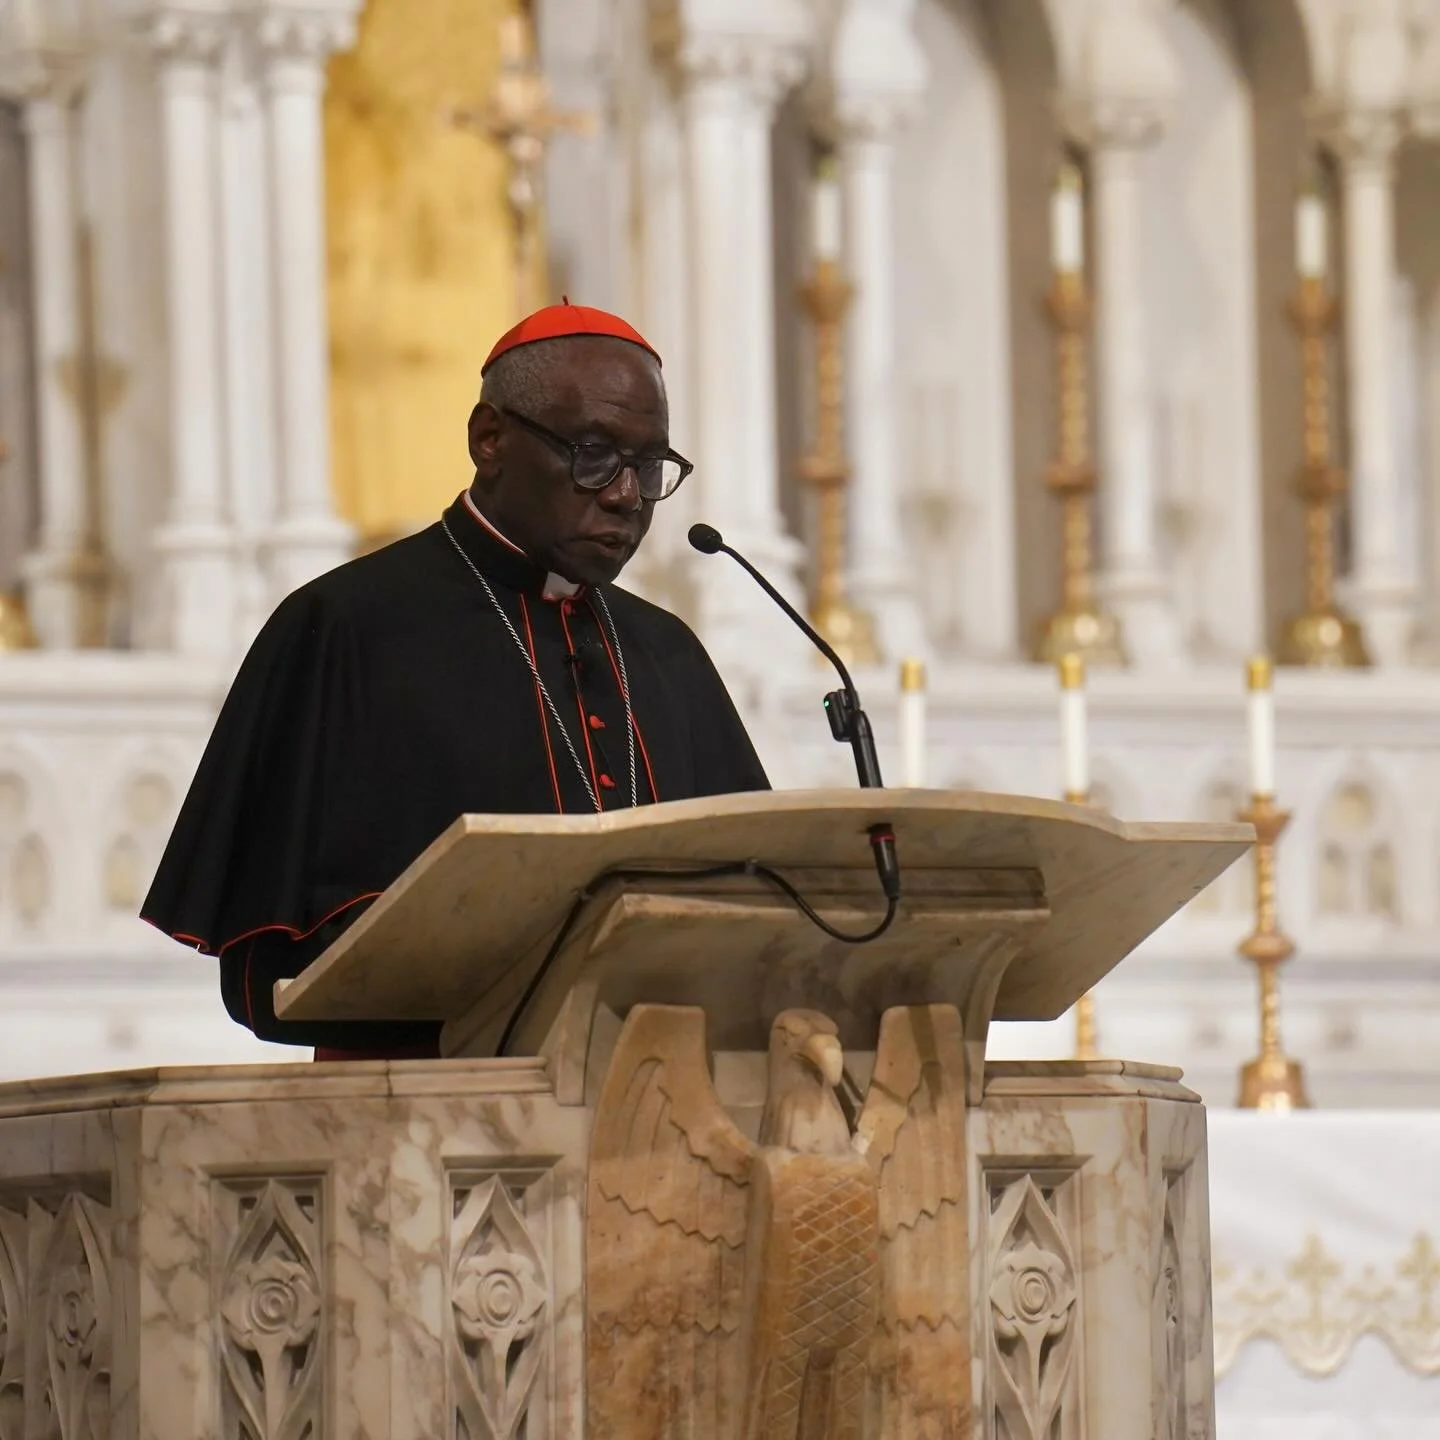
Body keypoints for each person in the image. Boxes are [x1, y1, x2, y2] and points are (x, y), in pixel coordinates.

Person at [142, 302, 769, 1059]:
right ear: (490, 440)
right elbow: (268, 973)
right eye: (594, 453)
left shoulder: (667, 654)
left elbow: (757, 924)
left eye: (648, 465)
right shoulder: (345, 629)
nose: (627, 495)